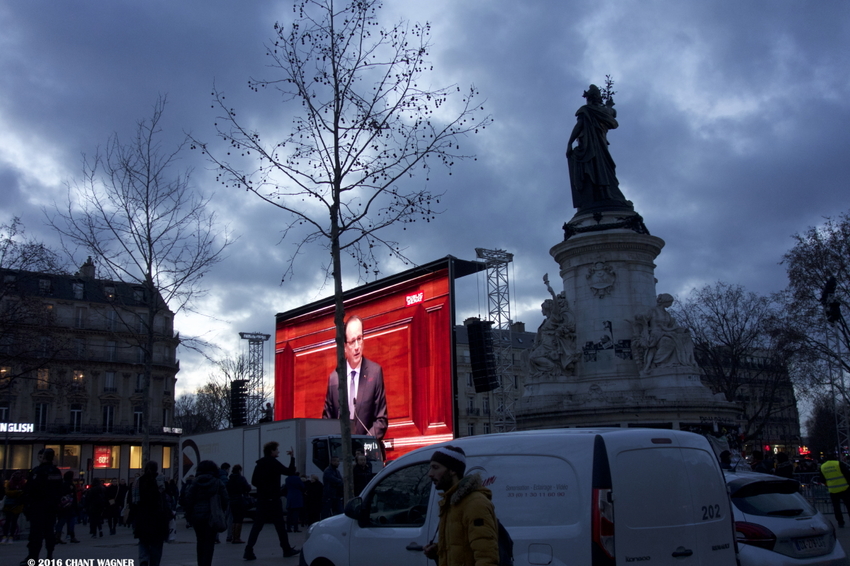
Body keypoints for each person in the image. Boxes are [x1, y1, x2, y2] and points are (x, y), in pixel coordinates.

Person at [423, 446, 499, 566]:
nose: (430, 474)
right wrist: (438, 550)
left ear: (453, 470)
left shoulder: (475, 503)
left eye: (435, 468)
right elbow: (461, 545)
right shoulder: (452, 502)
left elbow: (486, 557)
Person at [322, 316, 388, 441]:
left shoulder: (375, 373)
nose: (357, 346)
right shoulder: (334, 379)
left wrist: (362, 446)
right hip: (342, 454)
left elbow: (381, 420)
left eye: (359, 339)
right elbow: (327, 422)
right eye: (352, 341)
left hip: (367, 454)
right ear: (345, 346)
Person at [565, 84, 629, 211]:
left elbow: (579, 126)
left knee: (597, 168)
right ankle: (604, 194)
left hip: (591, 146)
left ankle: (603, 195)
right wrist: (609, 105)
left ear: (589, 98)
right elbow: (611, 113)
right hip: (600, 145)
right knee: (603, 169)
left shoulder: (586, 110)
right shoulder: (602, 111)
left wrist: (569, 143)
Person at [242, 441, 299, 560]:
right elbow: (290, 472)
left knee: (257, 526)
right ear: (272, 451)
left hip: (262, 500)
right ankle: (286, 549)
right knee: (280, 527)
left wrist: (263, 488)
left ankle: (249, 549)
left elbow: (254, 481)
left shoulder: (260, 464)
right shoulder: (274, 463)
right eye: (276, 450)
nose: (278, 452)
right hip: (273, 500)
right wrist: (292, 458)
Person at [183, 460, 229, 566]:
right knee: (210, 542)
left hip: (197, 516)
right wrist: (220, 510)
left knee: (200, 541)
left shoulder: (195, 482)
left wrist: (189, 515)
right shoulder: (217, 482)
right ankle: (207, 563)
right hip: (212, 516)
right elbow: (225, 499)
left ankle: (201, 563)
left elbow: (188, 499)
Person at [21, 447, 63, 564]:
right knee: (49, 532)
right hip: (51, 507)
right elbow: (60, 490)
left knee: (36, 534)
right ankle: (49, 556)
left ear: (43, 457)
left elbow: (30, 490)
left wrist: (27, 504)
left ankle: (33, 557)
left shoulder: (37, 471)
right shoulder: (56, 472)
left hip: (38, 506)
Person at [132, 461, 172, 566]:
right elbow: (168, 498)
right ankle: (154, 563)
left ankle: (143, 560)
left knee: (143, 541)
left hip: (143, 516)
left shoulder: (138, 481)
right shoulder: (161, 481)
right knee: (157, 544)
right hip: (158, 517)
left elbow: (134, 501)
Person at [820, 454, 850, 527]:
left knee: (836, 507)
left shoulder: (823, 466)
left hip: (832, 489)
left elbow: (822, 479)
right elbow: (847, 474)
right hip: (844, 488)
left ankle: (840, 522)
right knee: (849, 505)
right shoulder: (838, 463)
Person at [226, 464, 251, 544]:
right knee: (239, 519)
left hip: (232, 500)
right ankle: (237, 537)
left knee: (234, 519)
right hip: (240, 500)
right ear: (239, 470)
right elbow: (247, 488)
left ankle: (233, 537)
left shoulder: (230, 480)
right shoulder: (241, 479)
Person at [55, 470, 81, 544]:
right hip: (70, 507)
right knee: (71, 522)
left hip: (62, 507)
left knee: (61, 522)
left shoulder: (62, 485)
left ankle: (57, 536)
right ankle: (71, 536)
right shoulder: (71, 485)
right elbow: (74, 498)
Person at [3, 470, 26, 544]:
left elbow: (8, 492)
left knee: (11, 521)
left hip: (13, 504)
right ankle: (8, 536)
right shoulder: (22, 483)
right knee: (11, 521)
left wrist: (14, 492)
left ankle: (8, 536)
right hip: (15, 504)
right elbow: (8, 492)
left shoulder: (10, 483)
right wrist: (17, 492)